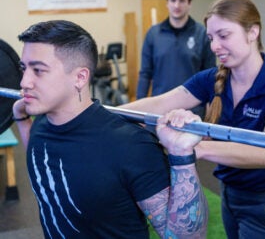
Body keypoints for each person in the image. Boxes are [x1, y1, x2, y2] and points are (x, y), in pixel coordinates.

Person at [121, 0, 265, 238]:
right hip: (229, 193)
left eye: (224, 36)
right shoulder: (210, 79)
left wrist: (192, 150)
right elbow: (159, 103)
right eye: (211, 38)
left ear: (253, 32)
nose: (215, 46)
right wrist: (103, 113)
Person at [12, 20, 208, 239]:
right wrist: (21, 118)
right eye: (24, 68)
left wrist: (181, 155)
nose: (24, 81)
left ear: (80, 77)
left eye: (38, 70)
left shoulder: (131, 145)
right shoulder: (41, 125)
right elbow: (42, 170)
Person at [137, 0, 215, 117]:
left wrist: (211, 112)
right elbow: (145, 74)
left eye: (182, 1)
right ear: (167, 3)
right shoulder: (153, 34)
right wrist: (136, 112)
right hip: (159, 111)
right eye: (173, 0)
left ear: (189, 3)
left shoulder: (202, 34)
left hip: (192, 113)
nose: (176, 5)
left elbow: (210, 75)